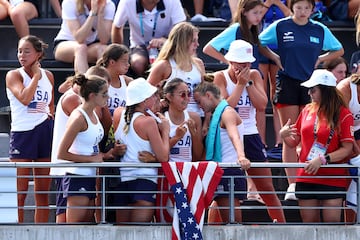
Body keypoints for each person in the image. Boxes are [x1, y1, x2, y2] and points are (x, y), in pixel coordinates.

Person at [259, 0, 344, 201]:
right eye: (298, 7)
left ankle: (307, 179)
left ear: (312, 9)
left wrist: (320, 59)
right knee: (290, 135)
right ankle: (292, 185)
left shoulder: (319, 28)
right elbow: (259, 41)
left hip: (311, 83)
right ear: (292, 7)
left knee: (309, 133)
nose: (303, 12)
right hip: (288, 81)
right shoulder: (281, 26)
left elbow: (339, 50)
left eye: (307, 8)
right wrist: (275, 57)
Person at [212, 39, 286, 222]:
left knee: (267, 188)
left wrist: (247, 84)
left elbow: (261, 105)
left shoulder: (253, 75)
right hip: (227, 136)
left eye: (246, 62)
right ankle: (213, 229)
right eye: (240, 62)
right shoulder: (220, 77)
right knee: (222, 193)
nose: (244, 66)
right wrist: (239, 85)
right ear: (230, 61)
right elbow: (224, 108)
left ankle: (283, 228)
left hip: (250, 134)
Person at [280, 69, 354, 223]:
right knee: (309, 226)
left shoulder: (344, 114)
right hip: (306, 176)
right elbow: (294, 143)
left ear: (325, 91)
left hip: (332, 177)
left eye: (313, 90)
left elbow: (347, 149)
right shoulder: (307, 110)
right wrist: (284, 135)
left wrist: (323, 159)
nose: (309, 93)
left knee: (331, 228)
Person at [5, 35, 55, 223]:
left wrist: (49, 114)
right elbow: (25, 98)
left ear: (38, 54)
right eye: (19, 51)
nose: (22, 55)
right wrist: (35, 76)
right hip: (22, 134)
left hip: (44, 131)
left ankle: (40, 231)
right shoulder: (14, 75)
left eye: (27, 51)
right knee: (19, 193)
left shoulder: (48, 75)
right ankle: (16, 230)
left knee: (42, 192)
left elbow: (50, 104)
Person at [112, 78, 170, 223]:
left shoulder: (118, 114)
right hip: (144, 182)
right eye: (153, 96)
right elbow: (163, 157)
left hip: (122, 181)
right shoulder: (148, 122)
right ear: (144, 101)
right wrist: (165, 130)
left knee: (123, 236)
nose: (156, 98)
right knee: (140, 234)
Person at [193, 81, 250, 223]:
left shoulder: (227, 112)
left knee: (232, 222)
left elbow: (234, 135)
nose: (199, 106)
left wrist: (241, 156)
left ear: (208, 95)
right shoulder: (216, 116)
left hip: (228, 171)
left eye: (199, 102)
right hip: (218, 170)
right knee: (217, 216)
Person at [57, 74, 108, 223]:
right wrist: (91, 159)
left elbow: (91, 145)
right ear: (92, 96)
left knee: (87, 226)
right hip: (77, 176)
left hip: (89, 175)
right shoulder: (78, 117)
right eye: (104, 94)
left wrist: (106, 154)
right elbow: (62, 153)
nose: (108, 97)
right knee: (75, 229)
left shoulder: (93, 114)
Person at [147, 22, 206, 125]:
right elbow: (146, 93)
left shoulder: (199, 64)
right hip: (172, 121)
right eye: (193, 41)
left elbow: (205, 94)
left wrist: (207, 122)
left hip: (198, 118)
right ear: (182, 42)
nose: (197, 44)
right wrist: (160, 102)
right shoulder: (164, 66)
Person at [111, 0, 186, 78]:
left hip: (169, 44)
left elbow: (182, 29)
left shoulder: (173, 1)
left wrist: (166, 41)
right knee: (138, 63)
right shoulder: (127, 2)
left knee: (175, 62)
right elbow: (117, 26)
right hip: (139, 45)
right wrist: (119, 55)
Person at [259, 0, 290, 149]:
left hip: (281, 48)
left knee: (276, 94)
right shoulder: (260, 2)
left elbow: (291, 16)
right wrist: (268, 3)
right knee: (261, 94)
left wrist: (278, 3)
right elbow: (257, 18)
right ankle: (261, 141)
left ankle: (279, 140)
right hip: (262, 46)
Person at [54, 0, 115, 73]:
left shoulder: (109, 5)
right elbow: (79, 38)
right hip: (66, 43)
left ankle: (102, 82)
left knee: (104, 49)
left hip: (91, 44)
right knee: (81, 48)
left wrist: (100, 14)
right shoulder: (69, 2)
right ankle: (84, 82)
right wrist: (93, 13)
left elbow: (104, 40)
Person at [337, 72, 360, 223]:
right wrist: (356, 152)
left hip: (357, 132)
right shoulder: (345, 88)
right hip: (339, 131)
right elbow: (340, 125)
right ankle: (348, 226)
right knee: (347, 180)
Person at [97, 43, 133, 116]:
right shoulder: (97, 80)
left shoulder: (128, 82)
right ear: (112, 62)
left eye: (128, 61)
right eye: (124, 61)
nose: (128, 64)